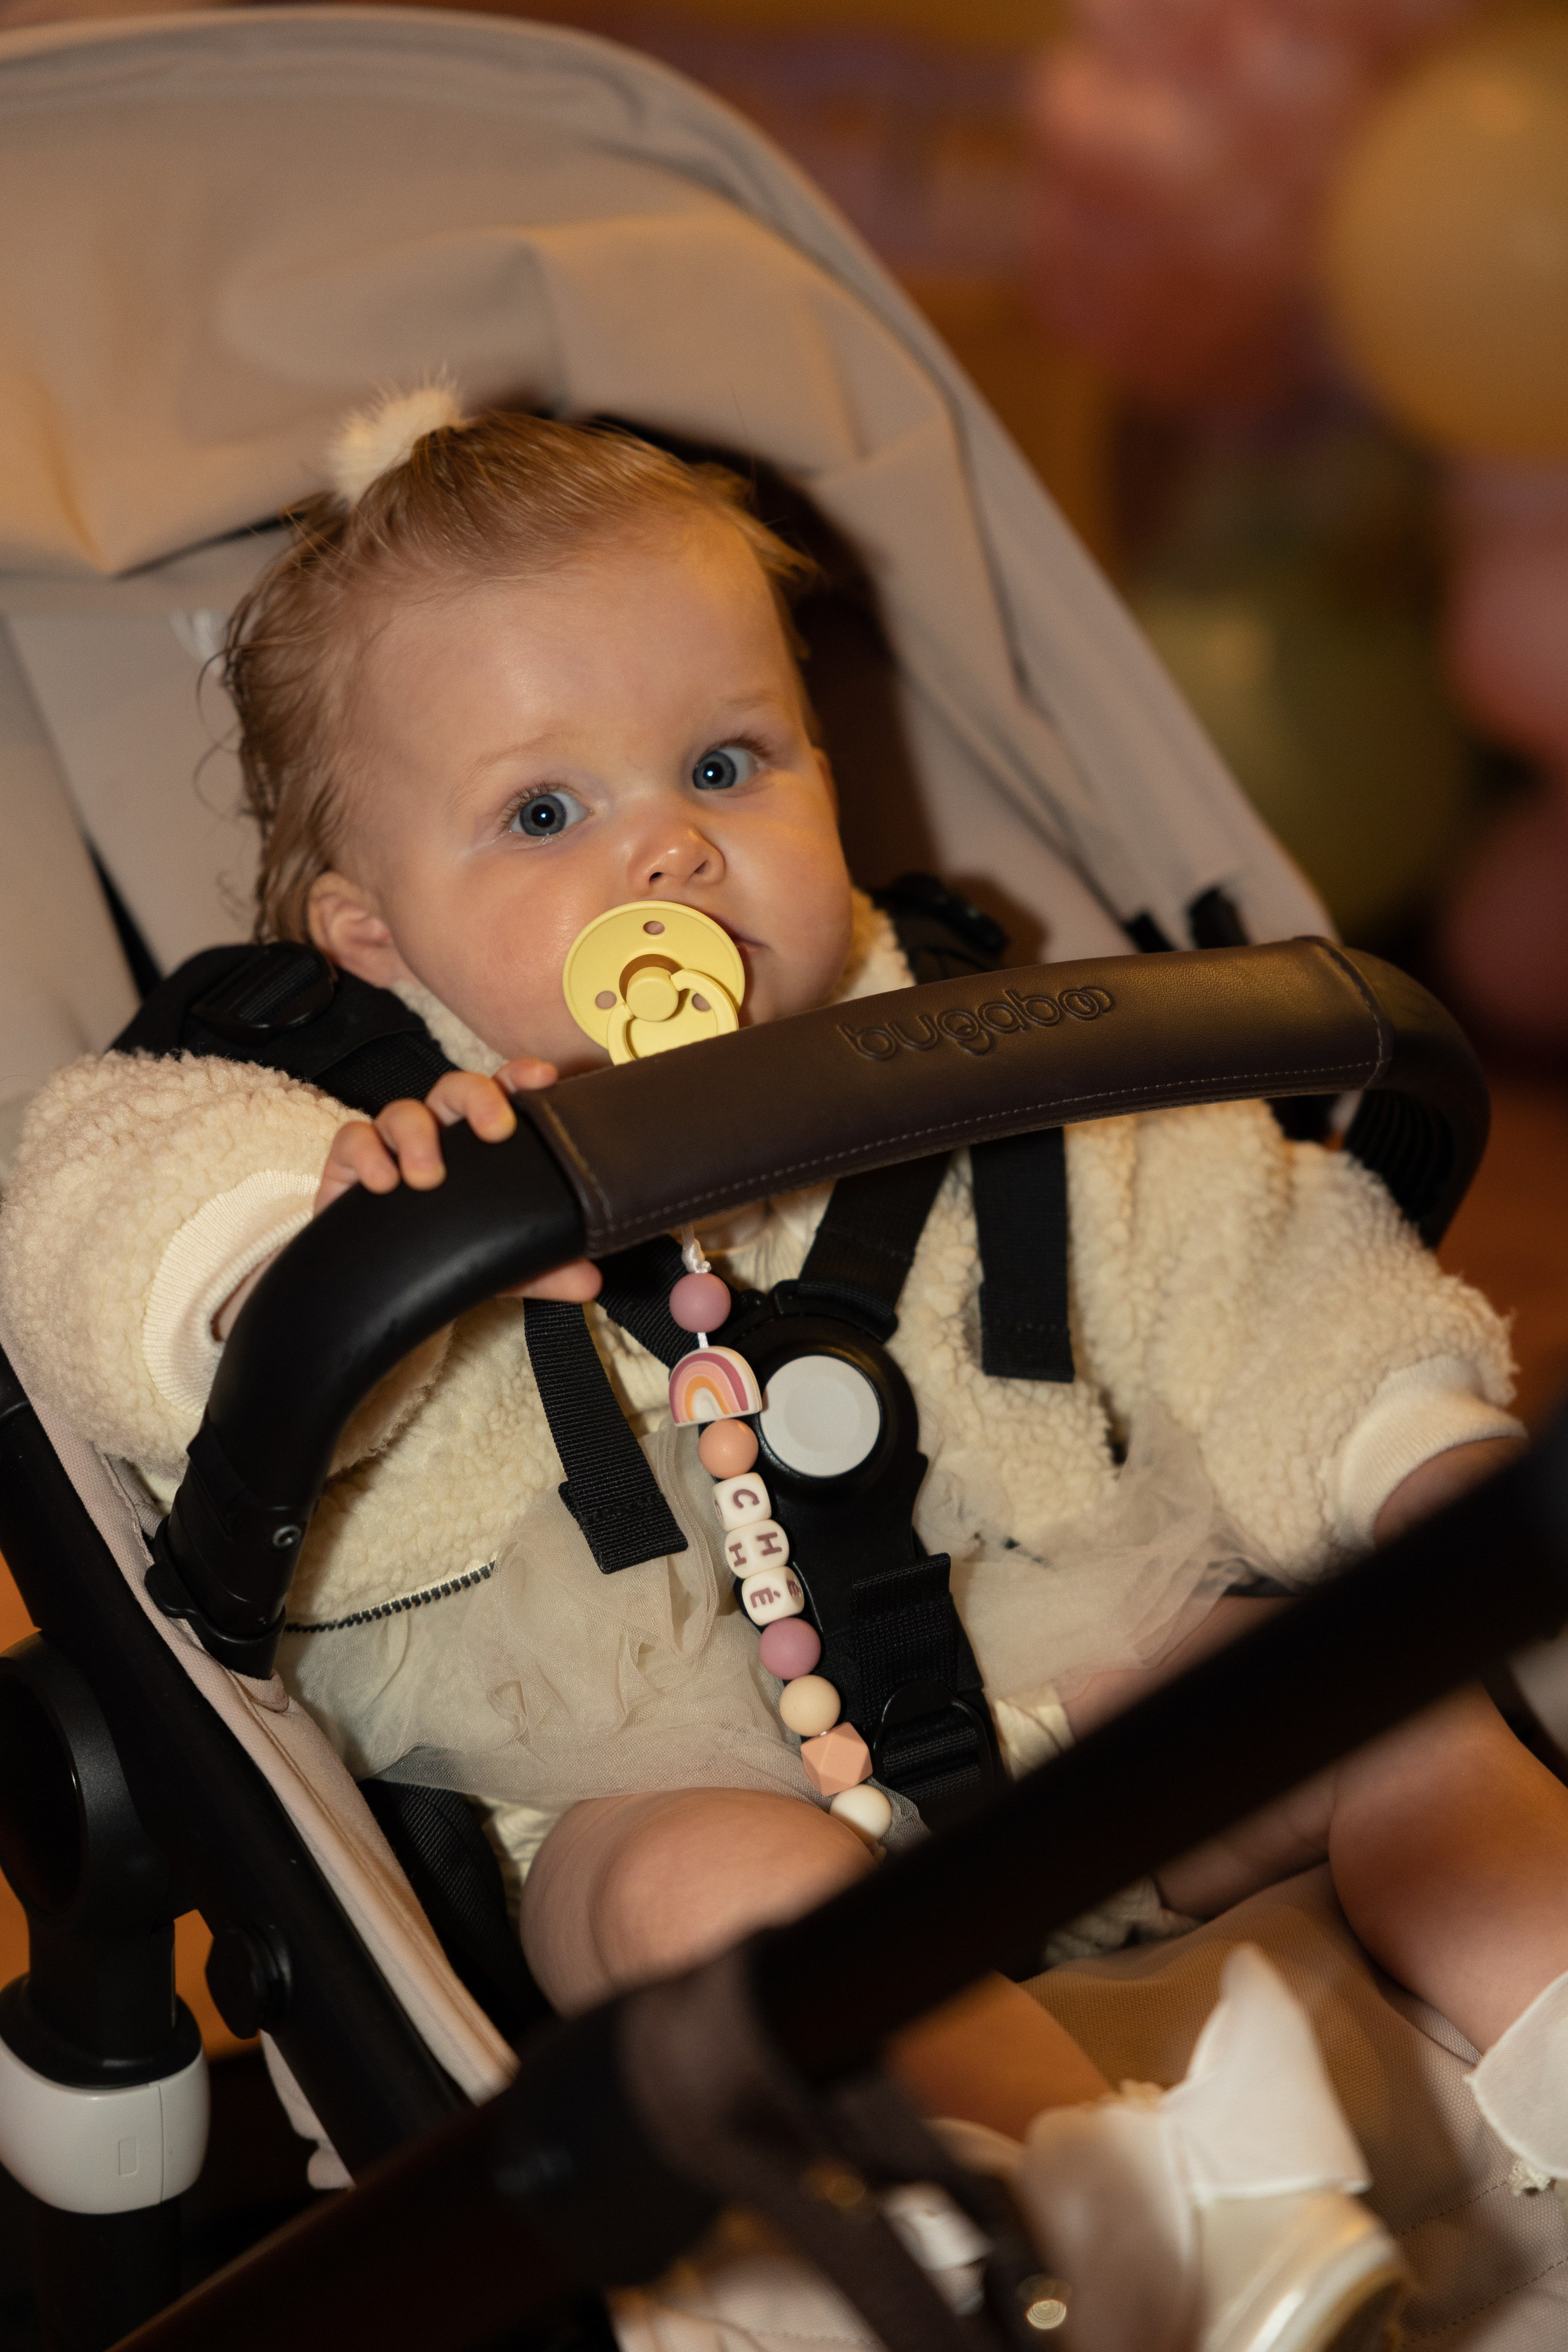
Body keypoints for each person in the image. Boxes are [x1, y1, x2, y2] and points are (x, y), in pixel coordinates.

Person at [2, 390, 1562, 2349]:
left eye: (727, 762)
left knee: (1380, 1704)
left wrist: (1426, 1466)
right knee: (703, 1900)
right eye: (545, 813)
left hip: (1061, 1706)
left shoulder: (981, 1050)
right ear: (369, 927)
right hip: (632, 1774)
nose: (669, 843)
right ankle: (1125, 2213)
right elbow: (89, 1204)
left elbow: (1262, 1273)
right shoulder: (319, 1117)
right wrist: (281, 1254)